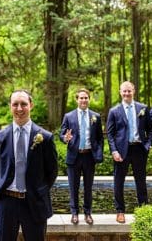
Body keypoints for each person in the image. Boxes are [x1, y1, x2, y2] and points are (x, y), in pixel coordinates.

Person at [0, 89, 57, 241]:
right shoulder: (0, 137)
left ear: (31, 105)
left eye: (23, 104)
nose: (19, 109)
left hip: (34, 201)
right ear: (10, 106)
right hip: (7, 201)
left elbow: (52, 171)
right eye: (15, 104)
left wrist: (39, 190)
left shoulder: (45, 137)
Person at [106, 80, 152, 223]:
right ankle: (120, 211)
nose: (127, 93)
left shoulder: (143, 108)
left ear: (134, 91)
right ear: (120, 92)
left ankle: (143, 210)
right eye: (124, 91)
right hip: (121, 151)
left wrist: (149, 144)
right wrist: (114, 151)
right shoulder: (114, 111)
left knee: (141, 181)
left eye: (129, 90)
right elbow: (110, 133)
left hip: (139, 149)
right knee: (119, 182)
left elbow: (150, 129)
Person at [59, 87, 104, 225]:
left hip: (89, 156)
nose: (84, 100)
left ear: (88, 99)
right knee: (74, 187)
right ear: (77, 100)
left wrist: (99, 152)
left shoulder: (95, 116)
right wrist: (65, 138)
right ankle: (74, 213)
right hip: (74, 156)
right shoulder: (69, 116)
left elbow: (100, 138)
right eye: (81, 98)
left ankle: (88, 213)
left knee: (88, 187)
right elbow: (61, 134)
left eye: (86, 98)